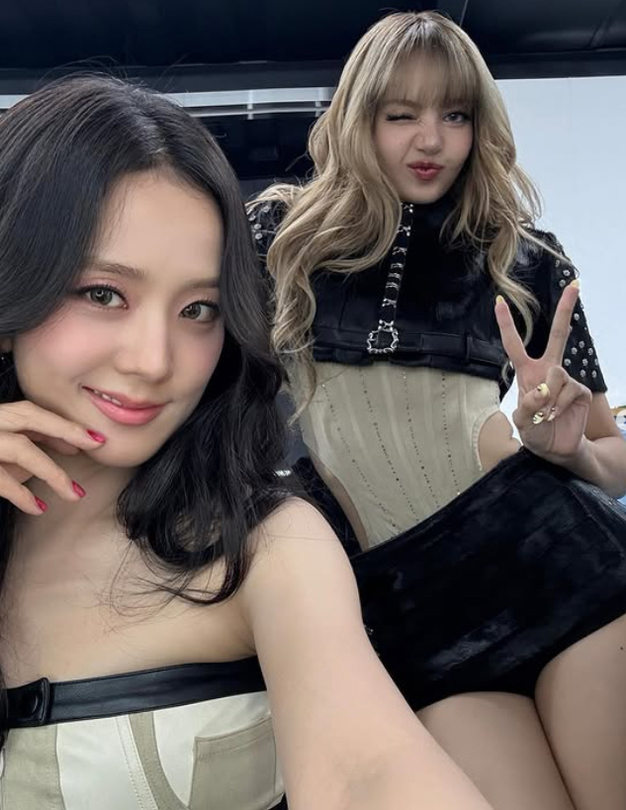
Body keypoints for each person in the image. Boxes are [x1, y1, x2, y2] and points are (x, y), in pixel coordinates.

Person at [0, 75, 495, 810]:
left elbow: (367, 772)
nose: (154, 360)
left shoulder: (264, 547)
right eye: (103, 294)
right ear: (2, 296)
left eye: (199, 309)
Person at [249, 11, 626, 810]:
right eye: (402, 115)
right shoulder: (282, 237)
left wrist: (569, 451)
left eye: (455, 115)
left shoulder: (528, 257)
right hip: (413, 614)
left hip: (560, 566)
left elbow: (613, 456)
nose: (432, 140)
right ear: (361, 118)